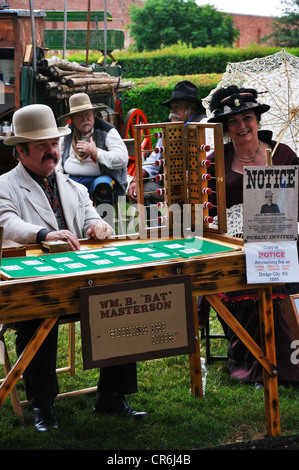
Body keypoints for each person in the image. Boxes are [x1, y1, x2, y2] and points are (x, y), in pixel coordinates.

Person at [0, 104, 146, 432]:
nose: (52, 151)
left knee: (122, 300)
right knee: (39, 313)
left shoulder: (69, 184)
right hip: (31, 284)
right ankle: (43, 405)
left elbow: (89, 212)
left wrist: (98, 226)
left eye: (54, 143)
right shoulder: (5, 185)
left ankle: (112, 394)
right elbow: (7, 222)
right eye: (42, 146)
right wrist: (45, 234)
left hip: (78, 279)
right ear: (20, 151)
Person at [202, 85, 299, 385]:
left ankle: (288, 365)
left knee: (280, 285)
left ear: (257, 119)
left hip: (285, 244)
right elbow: (209, 209)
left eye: (247, 117)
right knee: (253, 289)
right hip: (237, 248)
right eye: (233, 121)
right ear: (226, 128)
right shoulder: (216, 161)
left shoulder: (283, 153)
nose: (242, 125)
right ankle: (258, 364)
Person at [127, 80, 207, 208]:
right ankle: (158, 228)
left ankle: (193, 225)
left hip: (199, 186)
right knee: (140, 193)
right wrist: (136, 181)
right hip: (168, 186)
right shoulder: (168, 129)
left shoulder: (206, 126)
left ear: (191, 108)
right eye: (172, 107)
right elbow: (153, 161)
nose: (172, 111)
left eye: (178, 106)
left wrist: (192, 175)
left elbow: (211, 158)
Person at [58, 93, 128, 223]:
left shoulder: (107, 130)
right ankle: (71, 227)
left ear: (94, 114)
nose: (85, 118)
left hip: (99, 177)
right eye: (80, 115)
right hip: (72, 178)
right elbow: (59, 158)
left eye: (88, 114)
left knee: (103, 186)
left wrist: (96, 152)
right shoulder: (67, 132)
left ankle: (105, 227)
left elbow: (123, 158)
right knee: (59, 188)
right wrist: (58, 178)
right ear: (72, 118)